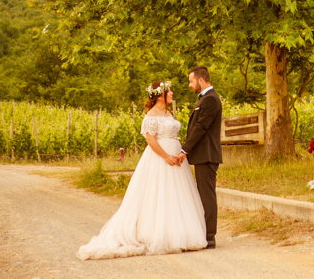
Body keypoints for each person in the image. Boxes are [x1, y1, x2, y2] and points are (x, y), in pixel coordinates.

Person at [76, 80, 207, 260]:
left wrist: (179, 152)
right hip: (160, 158)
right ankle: (158, 235)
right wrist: (166, 156)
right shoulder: (151, 115)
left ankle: (180, 232)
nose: (172, 94)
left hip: (176, 158)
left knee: (176, 195)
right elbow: (151, 140)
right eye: (169, 91)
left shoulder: (168, 113)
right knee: (158, 194)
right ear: (160, 94)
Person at [176, 66, 222, 249]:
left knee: (207, 195)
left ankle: (210, 237)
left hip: (207, 155)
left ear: (200, 81)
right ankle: (205, 233)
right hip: (203, 155)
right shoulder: (205, 99)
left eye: (191, 81)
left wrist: (185, 150)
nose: (189, 85)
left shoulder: (210, 100)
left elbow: (201, 127)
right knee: (203, 194)